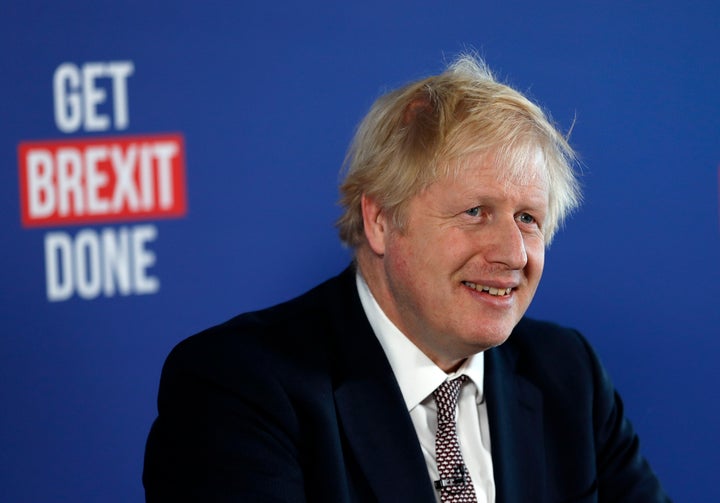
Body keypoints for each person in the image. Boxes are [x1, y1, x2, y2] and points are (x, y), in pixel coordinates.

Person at [143, 55, 671, 502]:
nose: (512, 253)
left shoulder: (568, 374)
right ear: (380, 220)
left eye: (528, 218)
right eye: (475, 212)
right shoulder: (238, 388)